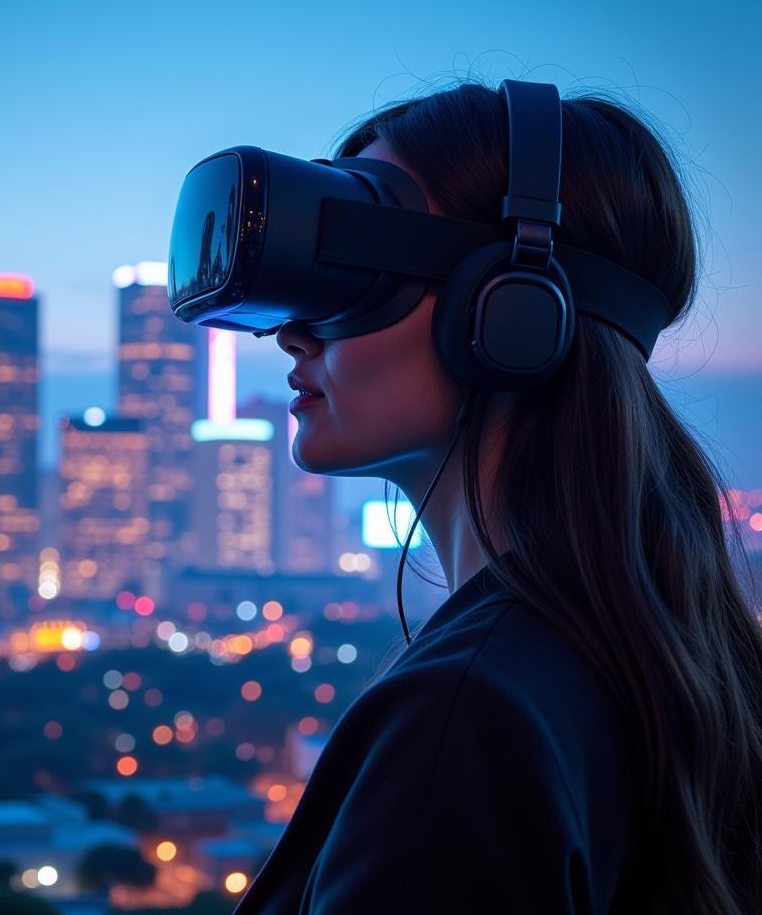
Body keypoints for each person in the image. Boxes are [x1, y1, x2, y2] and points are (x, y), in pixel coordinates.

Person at [230, 82, 762, 914]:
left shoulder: (466, 718)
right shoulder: (690, 661)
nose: (291, 331)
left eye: (358, 277)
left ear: (510, 309)